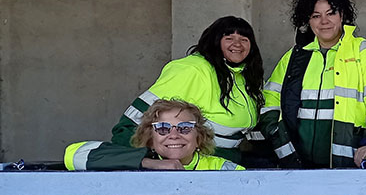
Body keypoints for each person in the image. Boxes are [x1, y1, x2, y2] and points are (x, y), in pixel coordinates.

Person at [260, 0, 366, 168]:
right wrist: (277, 135)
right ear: (308, 20)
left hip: (350, 166)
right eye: (316, 16)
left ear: (342, 14)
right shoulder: (294, 57)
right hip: (297, 166)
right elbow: (270, 99)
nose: (324, 21)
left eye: (331, 13)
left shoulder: (365, 52)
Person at [110, 16, 264, 165]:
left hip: (227, 160)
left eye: (244, 39)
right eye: (229, 38)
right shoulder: (192, 69)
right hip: (192, 165)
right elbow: (131, 123)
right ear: (214, 42)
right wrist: (145, 162)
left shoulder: (245, 77)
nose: (237, 44)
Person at [66, 99, 242, 170]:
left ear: (199, 137)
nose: (174, 135)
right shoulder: (136, 161)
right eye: (163, 128)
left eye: (185, 127)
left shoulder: (221, 168)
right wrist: (148, 163)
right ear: (151, 138)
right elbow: (73, 155)